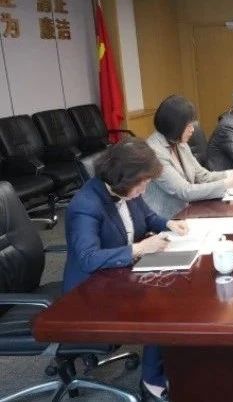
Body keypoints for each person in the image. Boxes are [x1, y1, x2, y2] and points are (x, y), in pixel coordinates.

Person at [63, 139, 190, 402]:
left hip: (117, 274)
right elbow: (88, 258)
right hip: (89, 289)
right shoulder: (86, 204)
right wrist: (139, 248)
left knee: (177, 288)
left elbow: (148, 217)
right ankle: (152, 382)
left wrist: (169, 224)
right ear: (124, 178)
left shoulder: (127, 191)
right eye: (142, 183)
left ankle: (177, 363)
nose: (145, 189)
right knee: (159, 307)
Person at [145, 95, 233, 218]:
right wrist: (228, 184)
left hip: (188, 212)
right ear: (174, 125)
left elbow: (203, 176)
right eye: (189, 126)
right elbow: (184, 191)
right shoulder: (155, 152)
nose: (192, 130)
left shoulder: (179, 143)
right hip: (165, 220)